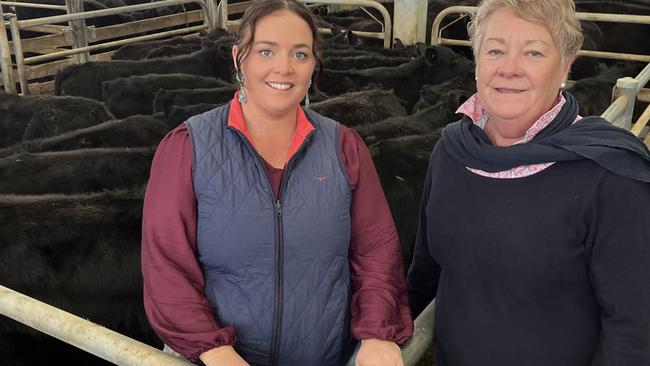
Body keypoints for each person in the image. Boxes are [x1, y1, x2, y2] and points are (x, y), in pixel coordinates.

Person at [141, 1, 413, 365]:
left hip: (325, 357)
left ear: (314, 64)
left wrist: (378, 332)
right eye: (266, 51)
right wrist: (213, 348)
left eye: (300, 54)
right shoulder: (188, 147)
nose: (283, 68)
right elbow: (166, 266)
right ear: (240, 58)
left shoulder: (344, 146)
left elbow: (376, 251)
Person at [407, 0, 650, 365]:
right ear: (477, 61)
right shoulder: (451, 152)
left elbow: (634, 326)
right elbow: (425, 270)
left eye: (533, 52)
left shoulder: (609, 175)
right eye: (495, 50)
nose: (509, 68)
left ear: (565, 64)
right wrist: (391, 338)